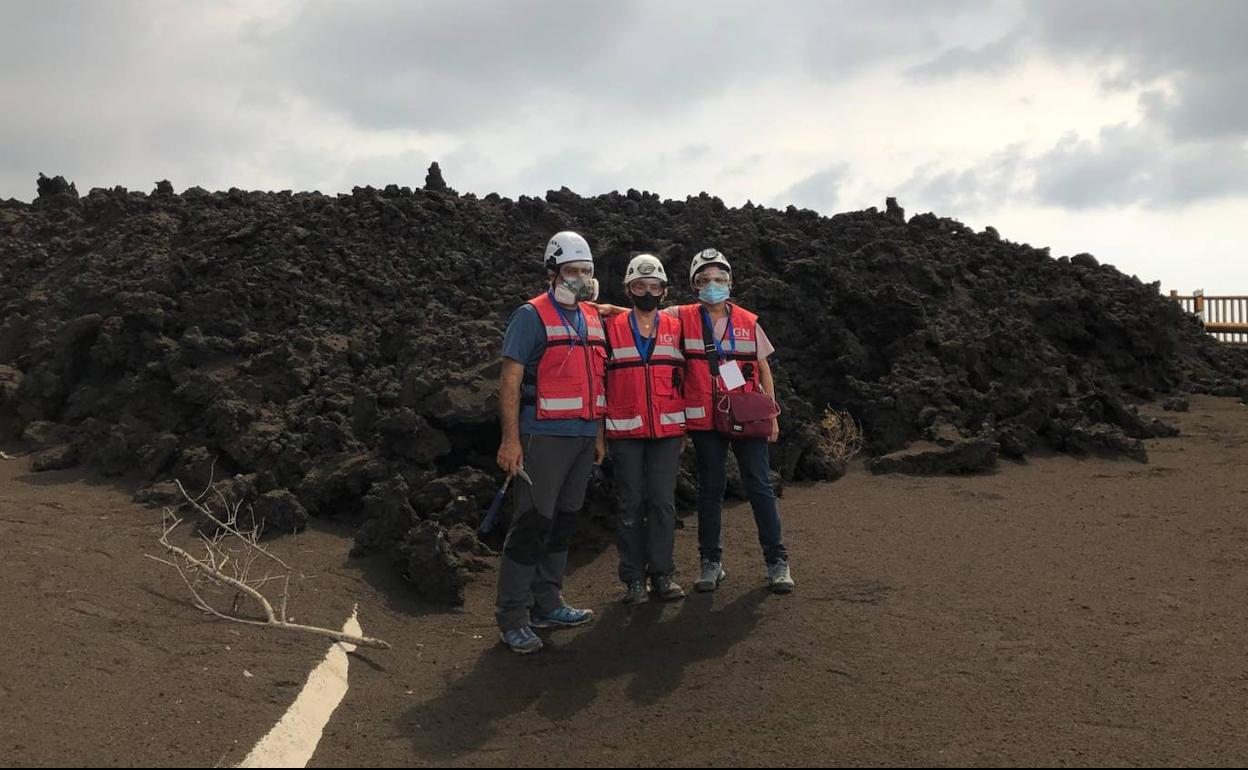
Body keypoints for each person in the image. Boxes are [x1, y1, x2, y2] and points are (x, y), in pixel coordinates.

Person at [494, 231, 607, 655]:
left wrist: (597, 434)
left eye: (587, 271)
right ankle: (512, 617)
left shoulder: (592, 316)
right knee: (532, 524)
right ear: (552, 272)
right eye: (572, 271)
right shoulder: (530, 315)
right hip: (541, 436)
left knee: (563, 521)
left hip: (581, 438)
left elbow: (596, 378)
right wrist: (510, 439)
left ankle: (548, 602)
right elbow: (510, 379)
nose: (580, 278)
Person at [672, 248, 795, 594]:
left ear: (730, 282)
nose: (713, 285)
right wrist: (604, 308)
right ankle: (710, 563)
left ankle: (777, 562)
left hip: (747, 416)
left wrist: (772, 416)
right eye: (705, 280)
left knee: (760, 487)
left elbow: (764, 369)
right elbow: (641, 316)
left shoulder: (748, 321)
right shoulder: (681, 317)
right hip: (706, 420)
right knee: (710, 491)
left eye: (720, 279)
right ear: (695, 285)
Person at [603, 254, 687, 605]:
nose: (647, 292)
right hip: (624, 433)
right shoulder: (610, 326)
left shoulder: (676, 327)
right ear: (628, 289)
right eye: (640, 286)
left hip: (667, 433)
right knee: (630, 505)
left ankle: (662, 575)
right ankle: (634, 580)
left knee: (663, 504)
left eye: (654, 287)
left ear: (664, 292)